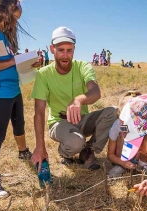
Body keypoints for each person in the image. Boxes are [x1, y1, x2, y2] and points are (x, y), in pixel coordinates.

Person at [30, 26, 118, 172]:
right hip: (59, 123)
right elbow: (39, 112)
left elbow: (95, 91)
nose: (65, 55)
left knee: (113, 112)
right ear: (52, 49)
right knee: (76, 141)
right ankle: (65, 152)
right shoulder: (43, 74)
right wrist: (40, 146)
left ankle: (88, 150)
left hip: (81, 119)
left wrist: (79, 100)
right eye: (60, 50)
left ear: (74, 49)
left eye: (69, 50)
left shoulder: (83, 67)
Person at [0, 0, 39, 198]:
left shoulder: (7, 35)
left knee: (19, 124)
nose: (15, 24)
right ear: (4, 12)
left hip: (14, 88)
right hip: (1, 92)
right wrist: (15, 60)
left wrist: (27, 63)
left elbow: (10, 62)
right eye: (14, 19)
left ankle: (23, 151)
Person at [106, 90, 147, 178]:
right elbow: (110, 155)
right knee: (124, 135)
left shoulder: (146, 124)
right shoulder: (118, 126)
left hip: (140, 157)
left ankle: (143, 164)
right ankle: (121, 165)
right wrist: (122, 162)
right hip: (121, 160)